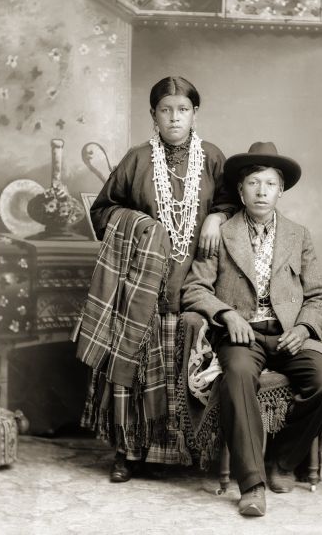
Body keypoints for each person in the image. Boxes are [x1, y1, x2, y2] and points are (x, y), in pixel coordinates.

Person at [72, 76, 234, 482]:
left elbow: (234, 201)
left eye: (183, 109)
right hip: (141, 287)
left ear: (195, 113)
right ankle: (127, 453)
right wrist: (140, 223)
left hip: (194, 286)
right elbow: (102, 211)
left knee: (184, 368)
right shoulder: (138, 159)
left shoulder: (212, 158)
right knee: (135, 371)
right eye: (166, 109)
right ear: (153, 115)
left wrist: (217, 214)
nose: (174, 117)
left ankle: (183, 454)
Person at [181, 141, 322, 517]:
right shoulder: (222, 232)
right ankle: (252, 484)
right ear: (240, 190)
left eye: (269, 184)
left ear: (280, 189)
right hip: (241, 336)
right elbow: (194, 289)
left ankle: (283, 461)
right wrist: (226, 315)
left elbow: (319, 295)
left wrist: (304, 328)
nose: (260, 191)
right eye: (253, 183)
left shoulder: (298, 235)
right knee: (237, 375)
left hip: (289, 335)